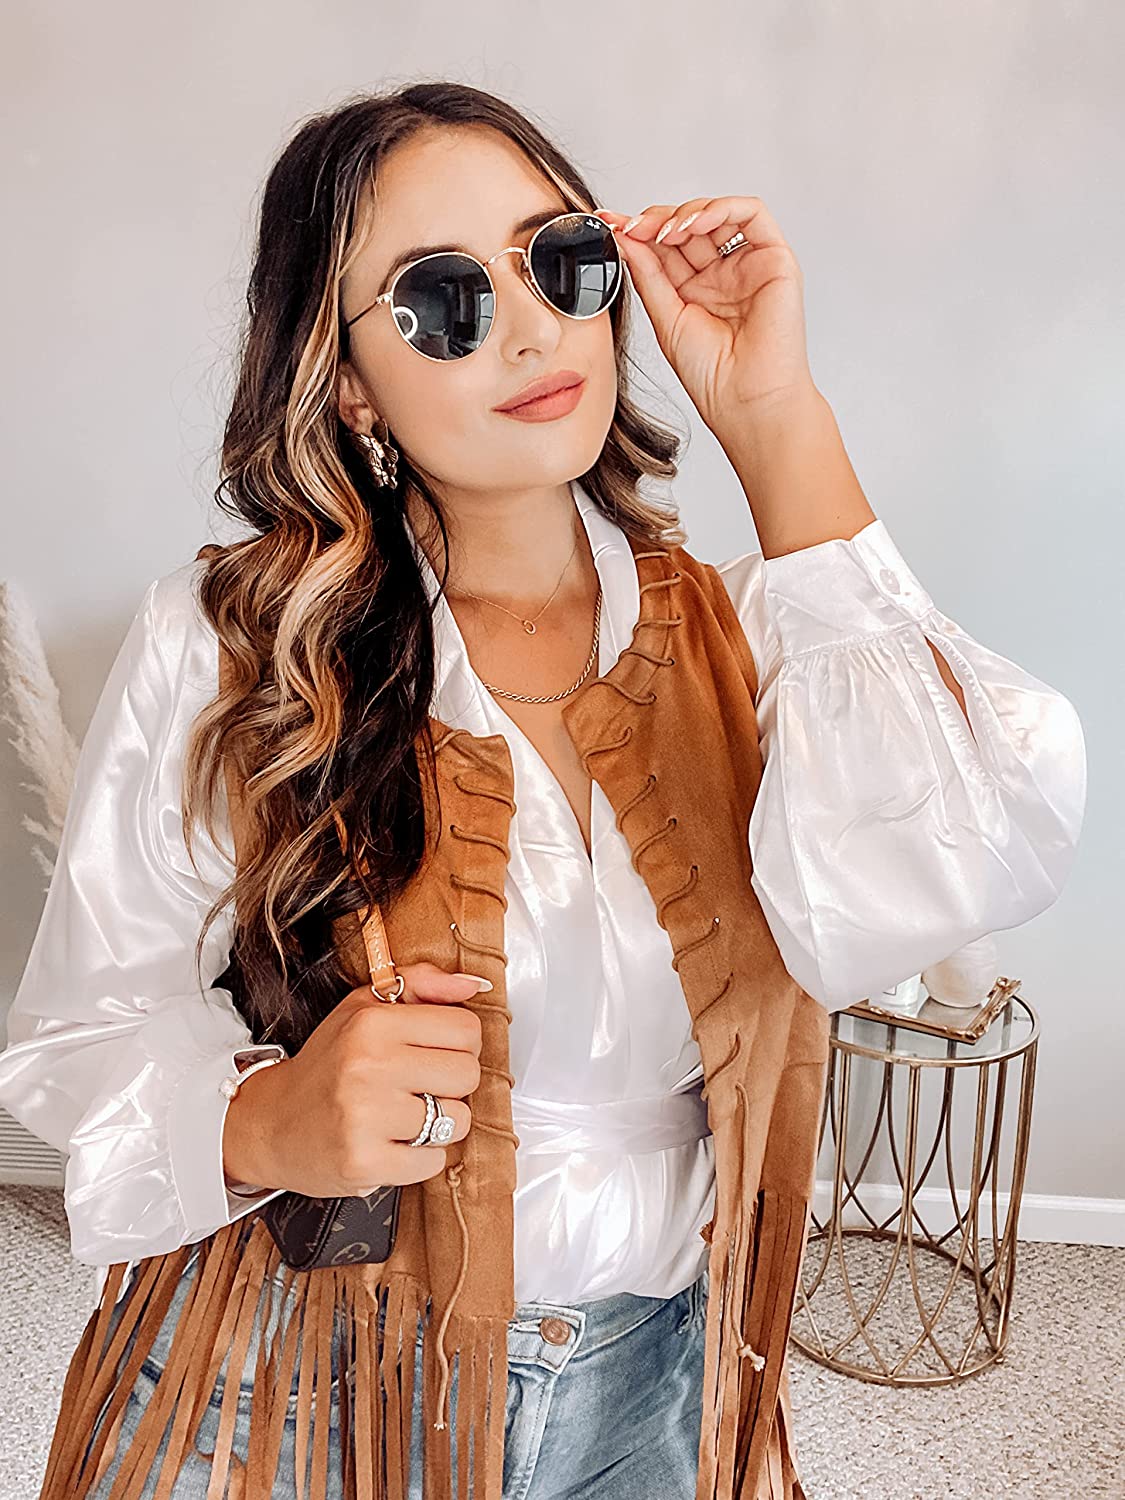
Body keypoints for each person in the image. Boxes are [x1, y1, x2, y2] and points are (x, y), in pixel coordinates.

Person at [0, 81, 1085, 1499]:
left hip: (654, 1384)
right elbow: (82, 1033)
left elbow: (962, 865)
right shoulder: (232, 643)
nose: (528, 328)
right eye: (440, 300)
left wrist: (775, 423)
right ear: (346, 379)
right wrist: (266, 1119)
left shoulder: (758, 646)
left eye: (558, 260)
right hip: (290, 1380)